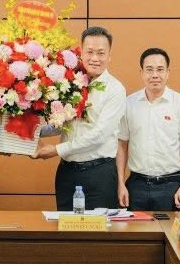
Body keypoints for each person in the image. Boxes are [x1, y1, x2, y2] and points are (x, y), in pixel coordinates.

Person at [34, 25, 127, 210]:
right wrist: (31, 132)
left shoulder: (115, 89)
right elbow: (64, 124)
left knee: (100, 234)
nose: (94, 58)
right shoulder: (70, 83)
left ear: (109, 56)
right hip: (67, 172)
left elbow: (100, 135)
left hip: (99, 174)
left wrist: (56, 149)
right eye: (89, 52)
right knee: (66, 232)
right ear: (81, 54)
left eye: (100, 53)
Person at [116, 48, 180, 211]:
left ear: (168, 72)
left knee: (171, 235)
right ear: (141, 72)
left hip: (171, 186)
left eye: (160, 69)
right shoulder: (128, 103)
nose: (155, 75)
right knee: (136, 235)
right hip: (136, 185)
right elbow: (121, 145)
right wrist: (120, 184)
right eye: (149, 70)